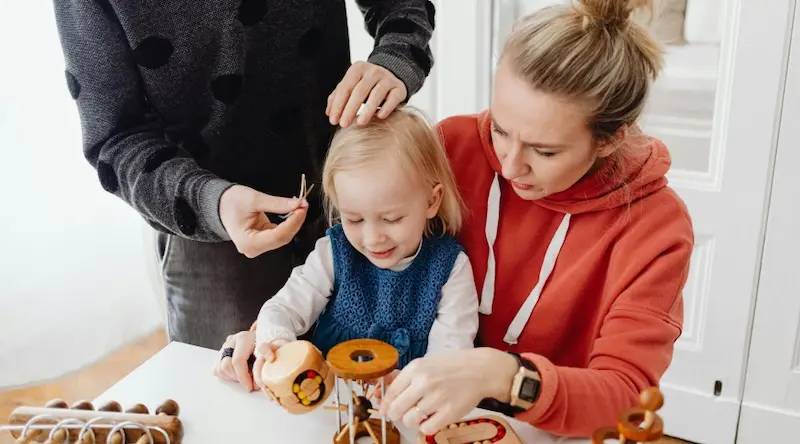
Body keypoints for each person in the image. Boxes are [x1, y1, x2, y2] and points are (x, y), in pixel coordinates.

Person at [216, 0, 694, 438]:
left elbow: (625, 396)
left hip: (540, 431)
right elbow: (353, 267)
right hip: (411, 416)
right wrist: (270, 338)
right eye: (501, 129)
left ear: (610, 139)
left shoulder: (655, 229)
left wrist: (502, 375)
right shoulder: (452, 148)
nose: (510, 166)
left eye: (545, 151)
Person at [50, 0, 437, 349]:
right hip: (214, 239)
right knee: (233, 394)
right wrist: (212, 203)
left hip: (344, 201)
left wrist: (394, 59)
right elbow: (116, 137)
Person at [219, 106, 480, 392]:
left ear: (432, 201)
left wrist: (414, 384)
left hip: (404, 406)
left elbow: (450, 354)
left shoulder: (450, 267)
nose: (373, 239)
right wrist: (278, 343)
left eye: (391, 219)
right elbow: (282, 308)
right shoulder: (335, 252)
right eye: (354, 219)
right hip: (325, 400)